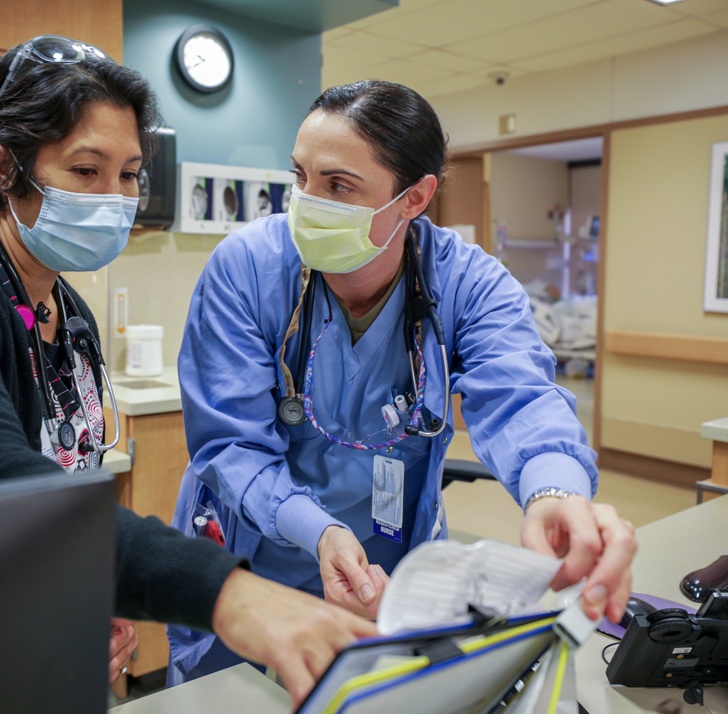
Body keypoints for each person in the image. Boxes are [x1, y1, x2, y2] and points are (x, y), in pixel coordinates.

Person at [0, 35, 376, 707]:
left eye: (130, 174)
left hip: (4, 656)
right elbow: (1, 486)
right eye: (86, 171)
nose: (115, 197)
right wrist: (228, 593)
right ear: (4, 167)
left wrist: (75, 591)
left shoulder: (63, 307)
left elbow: (62, 487)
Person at [167, 79, 638, 685]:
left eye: (338, 185)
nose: (307, 203)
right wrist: (319, 529)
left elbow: (524, 398)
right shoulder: (248, 269)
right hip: (251, 554)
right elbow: (230, 444)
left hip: (382, 572)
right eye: (300, 177)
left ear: (414, 199)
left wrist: (557, 495)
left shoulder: (469, 284)